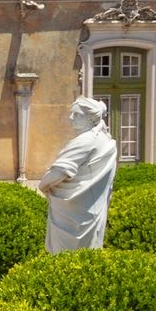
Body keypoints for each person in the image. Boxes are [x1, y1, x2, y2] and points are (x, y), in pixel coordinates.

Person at [37, 96, 119, 252]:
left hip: (73, 213)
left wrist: (43, 185)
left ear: (90, 118)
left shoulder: (85, 140)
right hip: (90, 207)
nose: (71, 118)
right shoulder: (104, 139)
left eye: (77, 115)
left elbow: (60, 172)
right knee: (88, 253)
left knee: (64, 255)